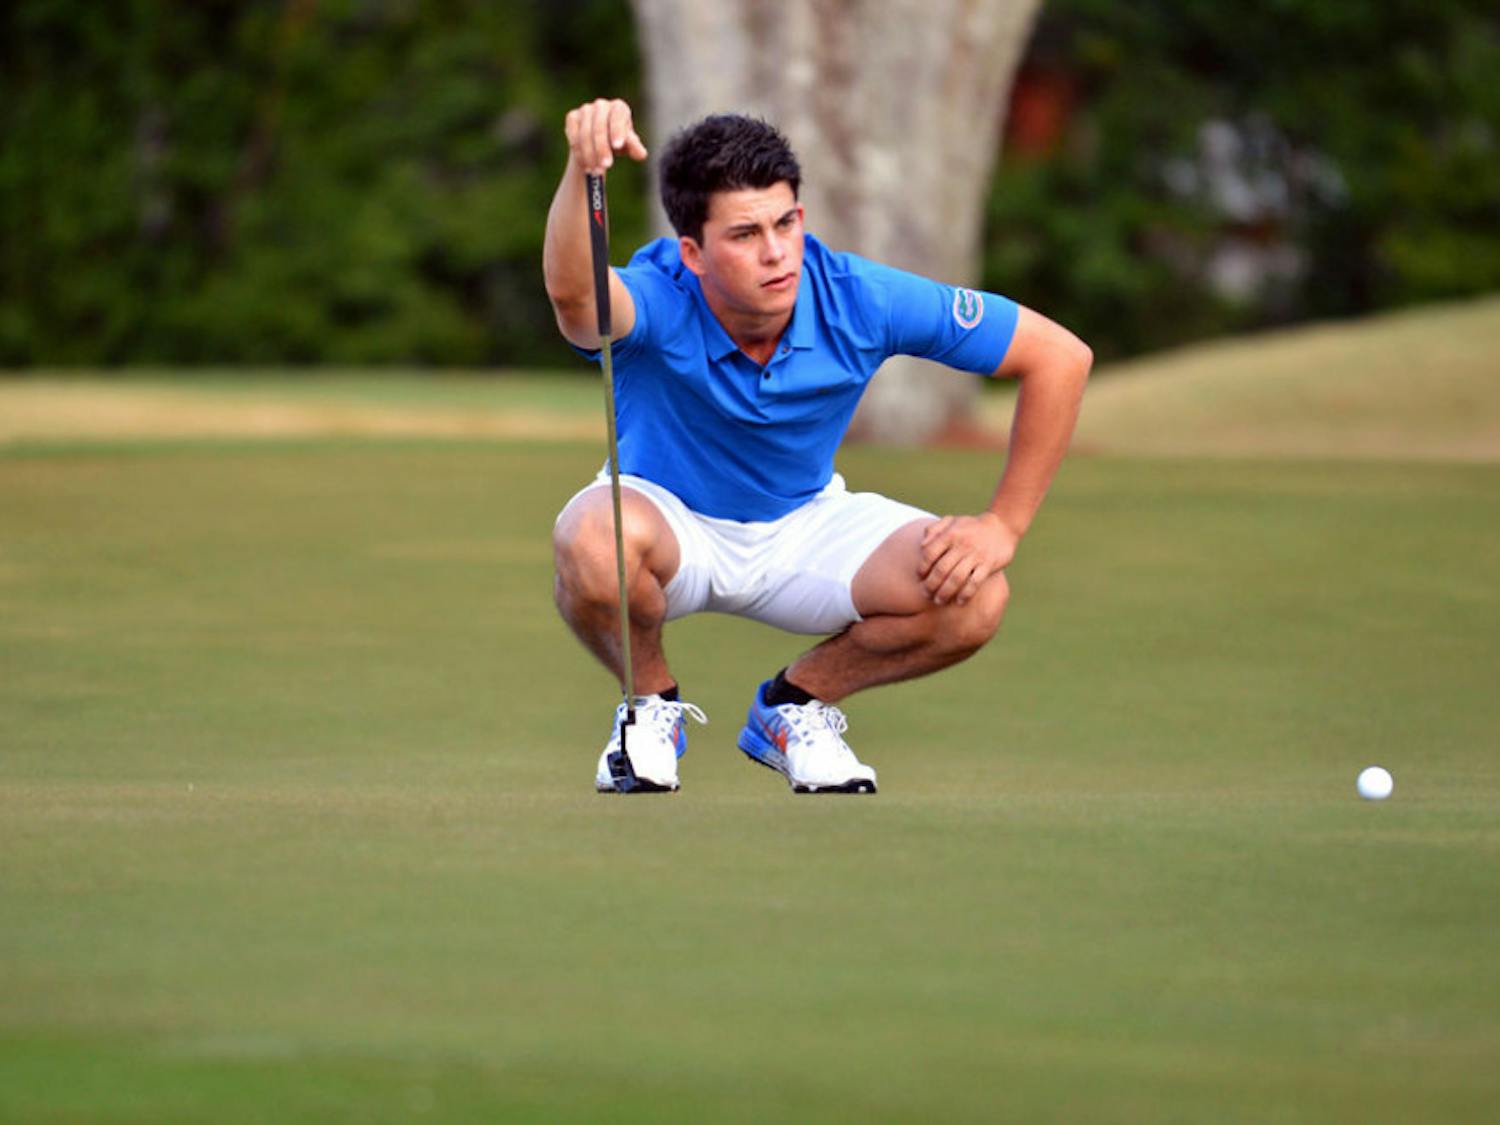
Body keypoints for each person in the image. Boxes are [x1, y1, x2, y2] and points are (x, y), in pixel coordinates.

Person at [543, 98, 1091, 794]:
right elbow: (576, 300)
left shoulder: (858, 296)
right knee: (591, 539)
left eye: (786, 222)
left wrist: (1003, 525)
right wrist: (581, 169)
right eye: (743, 234)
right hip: (668, 518)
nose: (776, 252)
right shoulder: (659, 293)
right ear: (694, 252)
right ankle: (650, 706)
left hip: (804, 523)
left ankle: (795, 707)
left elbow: (1059, 357)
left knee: (975, 596)